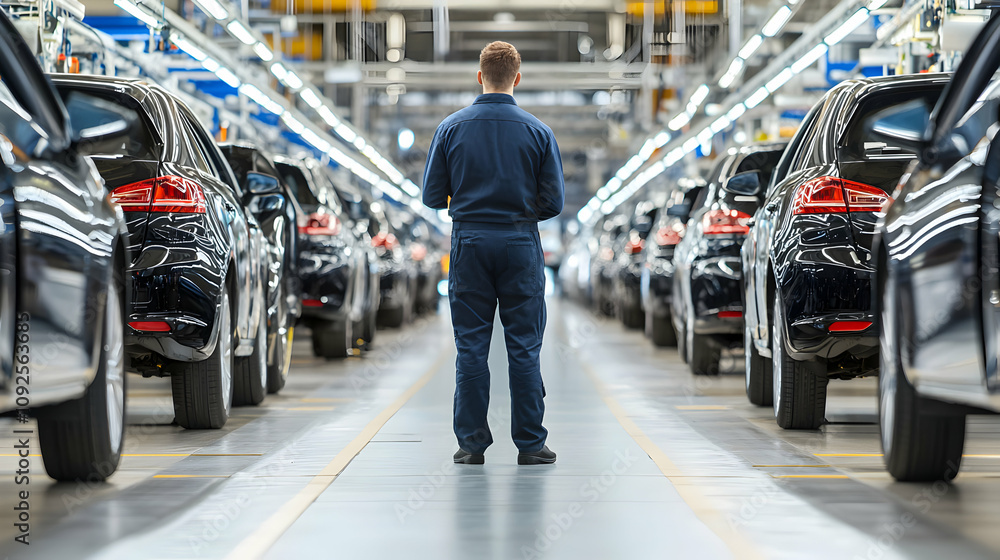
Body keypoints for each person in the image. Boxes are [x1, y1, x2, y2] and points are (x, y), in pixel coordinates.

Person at [422, 41, 565, 465]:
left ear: (479, 75)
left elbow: (432, 195)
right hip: (520, 243)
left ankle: (471, 445)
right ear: (517, 78)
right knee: (523, 346)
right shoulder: (539, 132)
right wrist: (518, 211)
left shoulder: (450, 128)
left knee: (471, 347)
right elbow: (553, 203)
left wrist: (470, 202)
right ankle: (531, 444)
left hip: (469, 244)